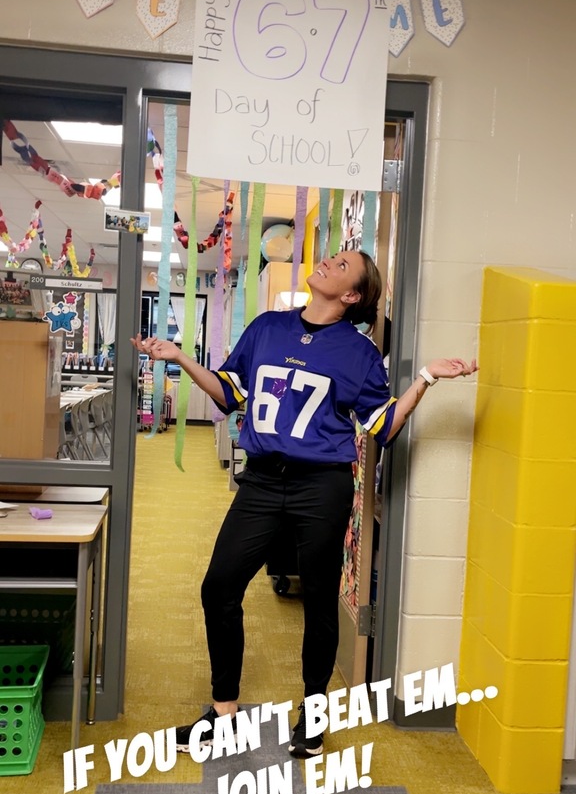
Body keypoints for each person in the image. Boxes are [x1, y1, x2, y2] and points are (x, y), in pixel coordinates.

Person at [131, 250, 477, 758]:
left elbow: (381, 426)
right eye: (332, 259)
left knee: (319, 599)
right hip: (263, 481)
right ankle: (224, 713)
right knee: (219, 587)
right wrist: (181, 357)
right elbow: (229, 394)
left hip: (323, 485)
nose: (328, 264)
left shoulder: (358, 353)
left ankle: (312, 715)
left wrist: (424, 377)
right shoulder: (268, 327)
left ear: (353, 295)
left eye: (341, 266)